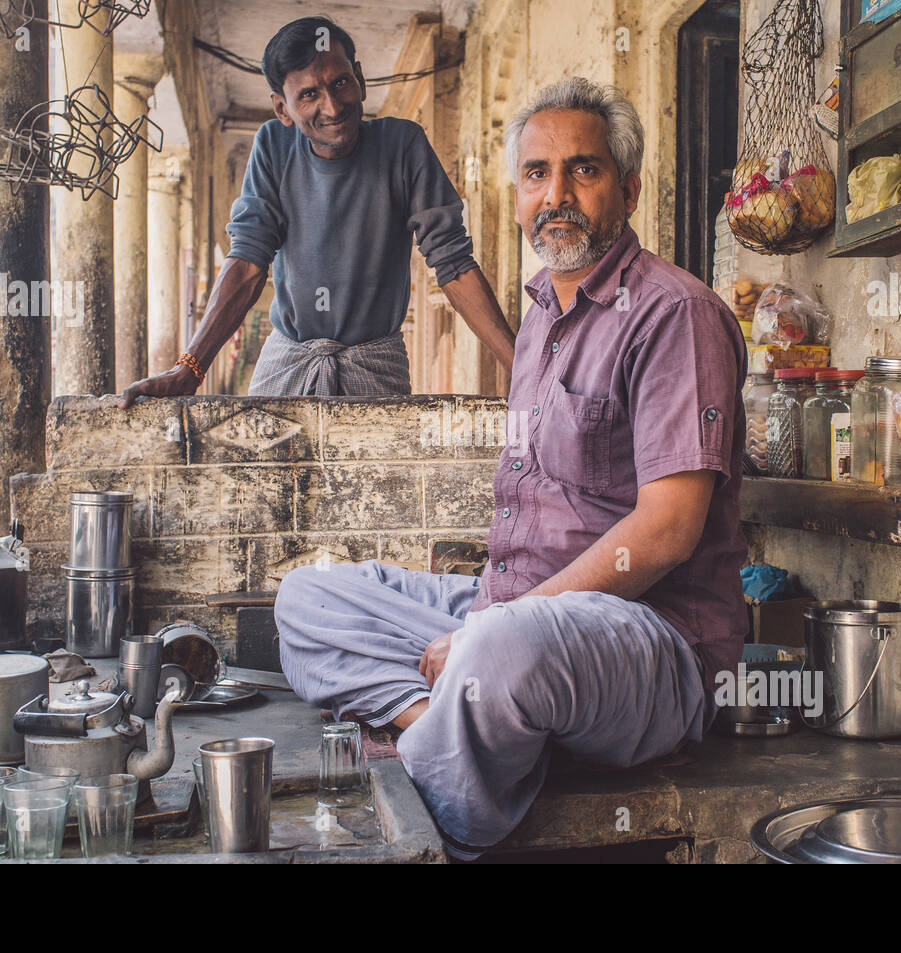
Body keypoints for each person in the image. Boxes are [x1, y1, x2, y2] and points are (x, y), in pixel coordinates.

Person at [274, 77, 748, 859]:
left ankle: (431, 813)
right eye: (536, 174)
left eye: (583, 171)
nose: (555, 193)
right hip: (507, 611)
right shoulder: (538, 323)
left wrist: (494, 628)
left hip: (649, 643)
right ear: (518, 194)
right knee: (307, 598)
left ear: (628, 188)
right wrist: (491, 616)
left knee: (502, 653)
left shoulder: (674, 314)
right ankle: (447, 723)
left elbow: (665, 531)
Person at [120, 16, 515, 405]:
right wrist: (188, 369)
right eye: (308, 94)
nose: (331, 106)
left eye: (340, 82)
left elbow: (453, 263)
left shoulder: (402, 145)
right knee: (260, 469)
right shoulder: (273, 145)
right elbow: (248, 262)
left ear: (359, 78)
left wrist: (522, 368)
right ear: (283, 108)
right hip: (288, 359)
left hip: (375, 365)